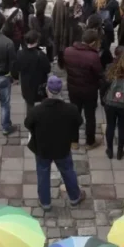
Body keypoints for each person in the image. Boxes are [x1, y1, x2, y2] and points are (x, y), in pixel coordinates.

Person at [24, 76, 87, 211]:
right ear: (60, 91)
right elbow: (79, 122)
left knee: (43, 174)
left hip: (42, 149)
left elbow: (27, 123)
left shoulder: (37, 111)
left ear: (47, 90)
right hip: (62, 148)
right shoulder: (71, 109)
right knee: (68, 171)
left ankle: (45, 202)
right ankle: (75, 197)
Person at [63, 28, 104, 149]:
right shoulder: (93, 56)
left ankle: (73, 141)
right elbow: (99, 73)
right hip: (89, 91)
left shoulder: (68, 51)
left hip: (73, 89)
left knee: (74, 114)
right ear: (93, 42)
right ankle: (90, 141)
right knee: (90, 116)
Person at [102, 46, 124, 160]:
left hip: (110, 103)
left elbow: (104, 85)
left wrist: (103, 98)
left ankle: (110, 150)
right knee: (122, 126)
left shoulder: (109, 67)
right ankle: (120, 151)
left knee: (110, 125)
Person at [12, 29, 50, 112]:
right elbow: (48, 69)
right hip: (40, 84)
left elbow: (16, 68)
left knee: (29, 104)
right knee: (43, 103)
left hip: (27, 84)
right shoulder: (41, 54)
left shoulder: (20, 53)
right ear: (37, 40)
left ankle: (30, 121)